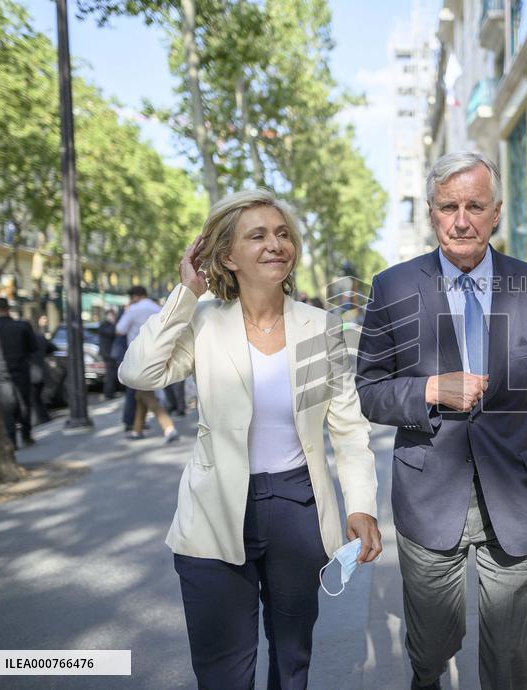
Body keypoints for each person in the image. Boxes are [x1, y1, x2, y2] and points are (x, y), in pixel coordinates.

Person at [119, 188, 381, 689]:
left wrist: (361, 506)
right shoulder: (203, 322)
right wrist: (186, 293)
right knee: (223, 672)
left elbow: (348, 428)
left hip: (297, 509)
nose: (275, 244)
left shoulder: (320, 327)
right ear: (226, 256)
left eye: (282, 234)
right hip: (215, 513)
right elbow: (138, 371)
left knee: (292, 660)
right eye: (256, 236)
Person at [356, 152, 527, 690]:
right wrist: (431, 390)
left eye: (475, 206)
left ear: (497, 212)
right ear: (433, 213)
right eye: (448, 206)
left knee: (509, 655)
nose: (462, 220)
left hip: (518, 494)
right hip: (429, 496)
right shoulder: (392, 287)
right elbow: (368, 392)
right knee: (432, 648)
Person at [116, 285, 178, 442]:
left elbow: (119, 329)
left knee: (144, 393)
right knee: (140, 394)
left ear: (135, 297)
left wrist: (126, 312)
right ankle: (137, 430)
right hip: (160, 352)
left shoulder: (133, 309)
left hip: (138, 355)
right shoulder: (157, 307)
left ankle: (168, 427)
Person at [0, 298, 37, 447]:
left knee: (7, 406)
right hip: (21, 369)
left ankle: (12, 439)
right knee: (24, 403)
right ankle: (26, 435)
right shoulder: (22, 326)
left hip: (2, 371)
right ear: (9, 308)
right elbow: (32, 348)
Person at [98, 309, 119, 399]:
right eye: (111, 315)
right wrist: (114, 323)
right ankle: (108, 394)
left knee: (112, 374)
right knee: (110, 374)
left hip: (111, 353)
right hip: (108, 353)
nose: (113, 317)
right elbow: (111, 333)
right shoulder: (104, 325)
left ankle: (111, 392)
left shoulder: (110, 325)